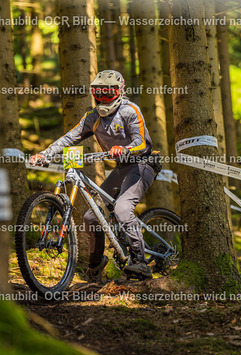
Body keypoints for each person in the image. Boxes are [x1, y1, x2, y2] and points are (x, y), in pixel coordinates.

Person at [30, 70, 157, 281]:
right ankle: (96, 265)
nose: (103, 98)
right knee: (90, 217)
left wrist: (125, 149)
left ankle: (140, 262)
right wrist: (45, 154)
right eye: (99, 93)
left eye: (108, 93)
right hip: (121, 168)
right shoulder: (93, 117)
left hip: (143, 164)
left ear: (120, 91)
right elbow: (69, 138)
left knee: (123, 208)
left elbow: (142, 143)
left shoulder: (130, 110)